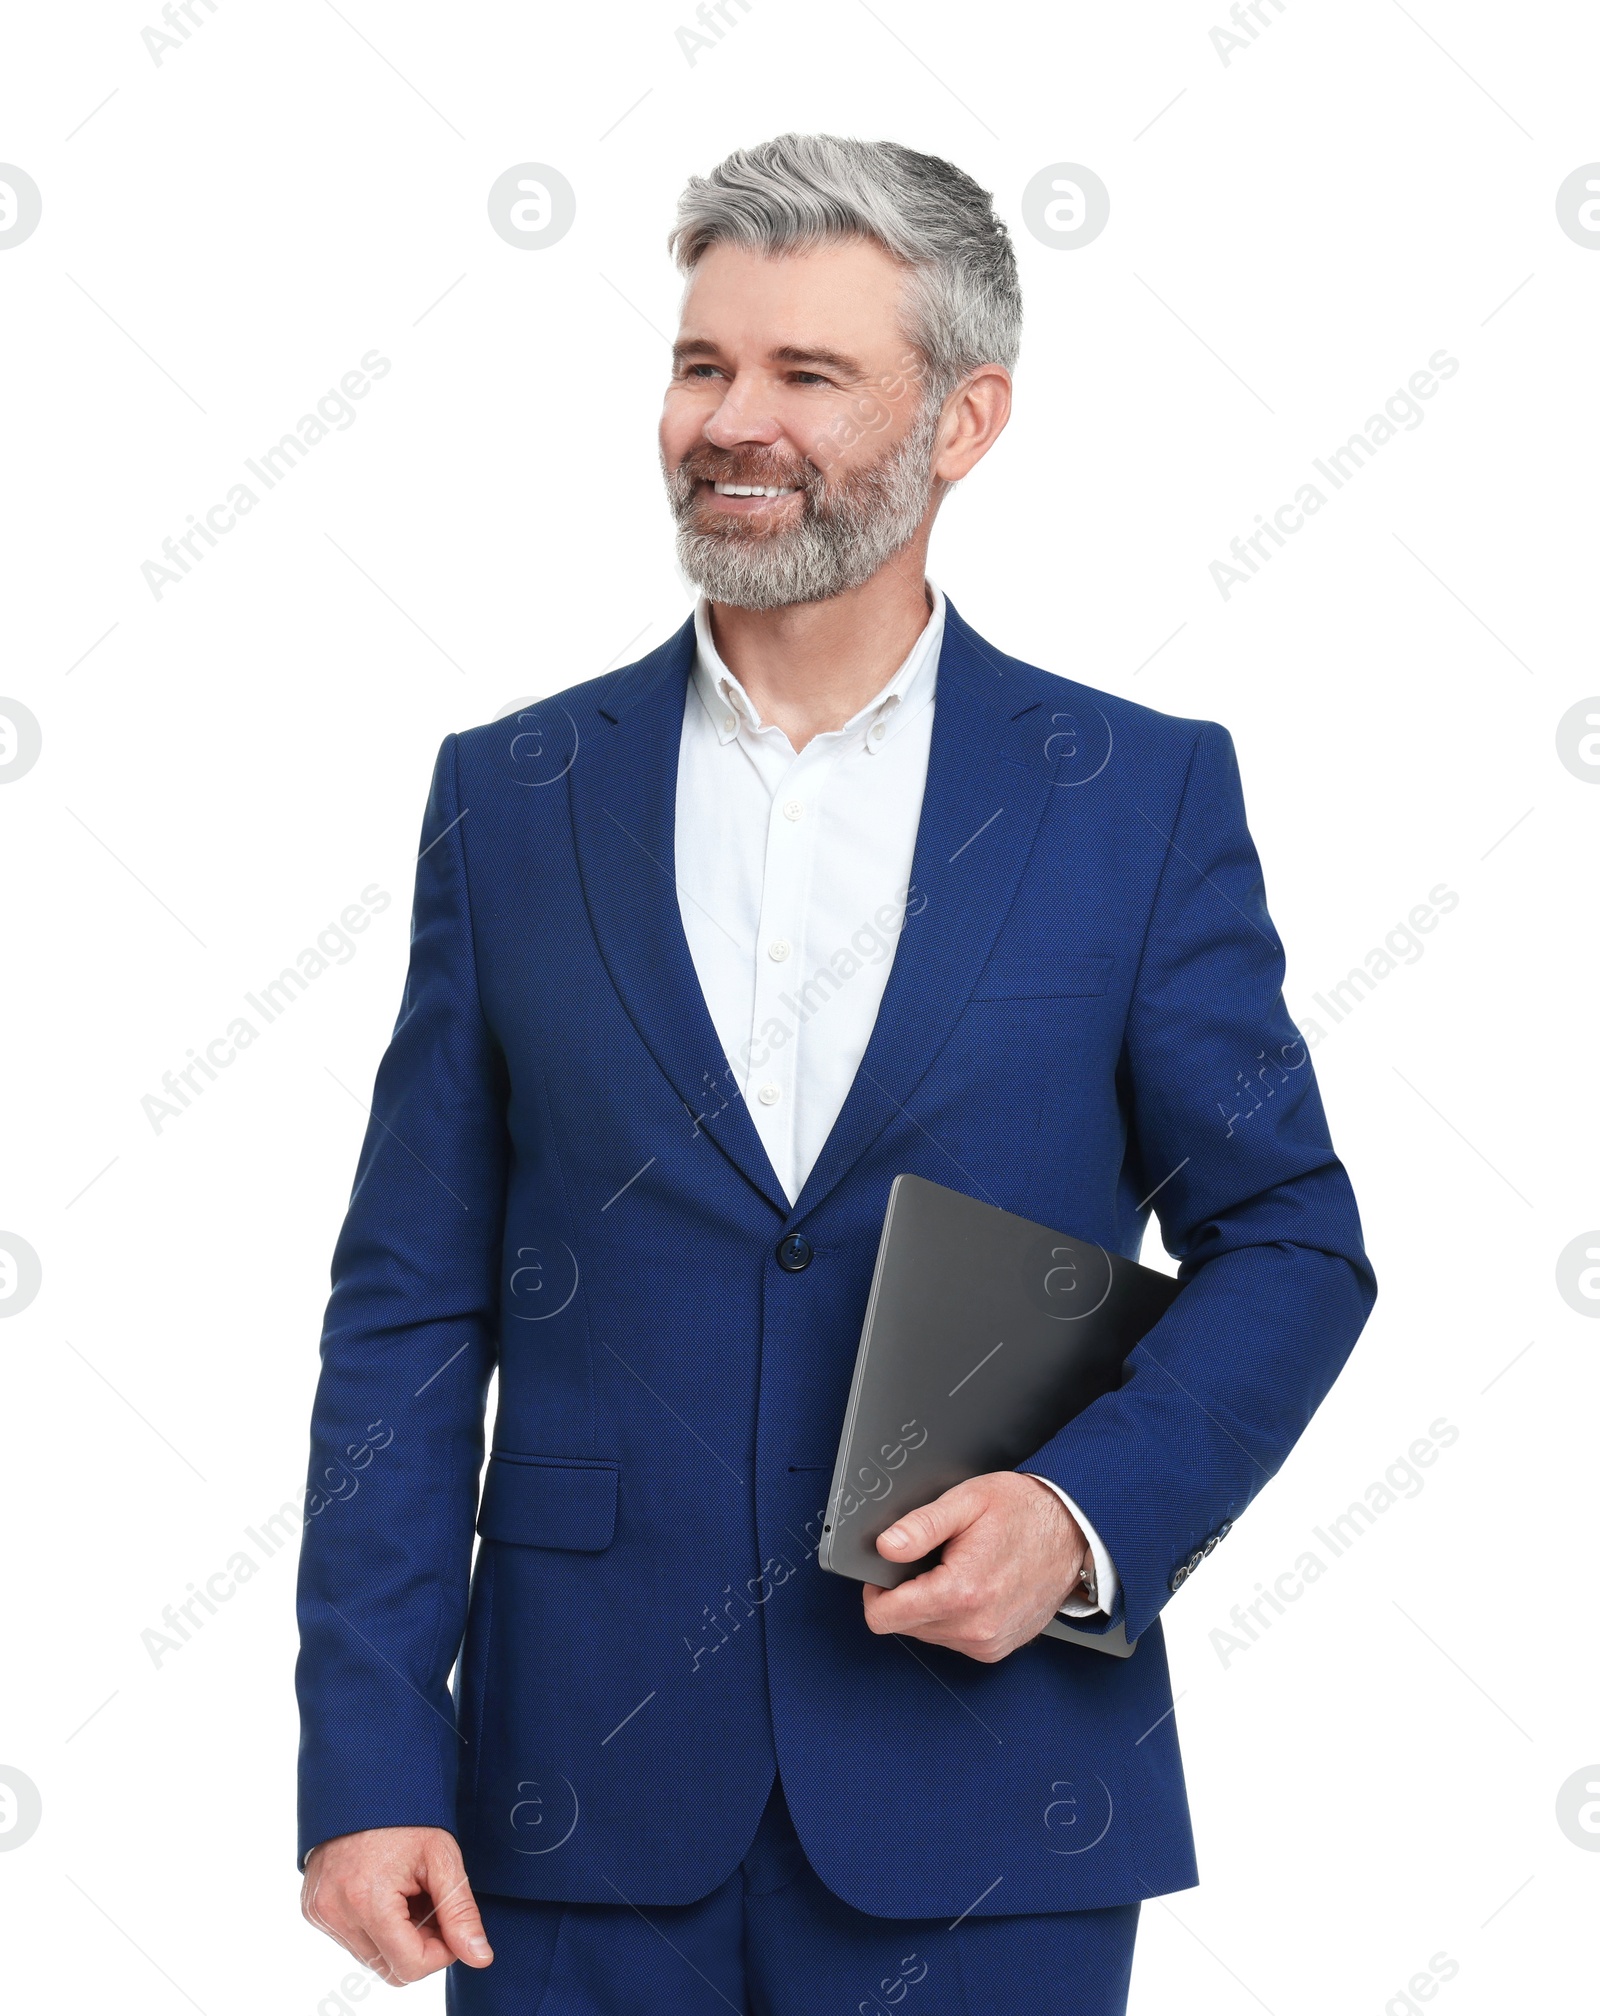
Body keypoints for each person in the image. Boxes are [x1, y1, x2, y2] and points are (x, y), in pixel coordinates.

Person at [295, 133, 1376, 2015]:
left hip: (987, 1793)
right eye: (705, 364)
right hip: (571, 1808)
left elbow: (1291, 1238)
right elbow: (405, 1308)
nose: (734, 419)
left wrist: (1082, 1513)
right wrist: (367, 1766)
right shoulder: (515, 794)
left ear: (965, 421)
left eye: (808, 374)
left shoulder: (1134, 801)